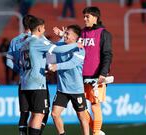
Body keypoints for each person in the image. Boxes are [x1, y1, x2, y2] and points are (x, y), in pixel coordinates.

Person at [19, 17, 82, 135]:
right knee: (39, 114)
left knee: (32, 115)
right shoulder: (38, 42)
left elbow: (21, 62)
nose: (44, 29)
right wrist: (76, 45)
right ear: (38, 28)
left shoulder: (25, 42)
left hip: (25, 83)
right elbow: (57, 49)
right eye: (43, 27)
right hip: (37, 84)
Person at [49, 25, 89, 135]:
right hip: (62, 89)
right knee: (54, 114)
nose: (65, 35)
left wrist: (57, 66)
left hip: (76, 89)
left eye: (67, 34)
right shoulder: (61, 45)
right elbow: (54, 50)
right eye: (65, 33)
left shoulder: (80, 49)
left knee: (81, 116)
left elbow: (71, 64)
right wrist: (62, 36)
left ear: (75, 37)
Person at [81, 7, 113, 135]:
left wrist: (103, 73)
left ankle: (95, 132)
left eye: (87, 16)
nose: (84, 19)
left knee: (95, 105)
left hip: (96, 76)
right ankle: (97, 131)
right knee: (80, 108)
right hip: (80, 77)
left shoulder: (104, 33)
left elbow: (107, 55)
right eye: (84, 16)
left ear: (95, 17)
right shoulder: (81, 33)